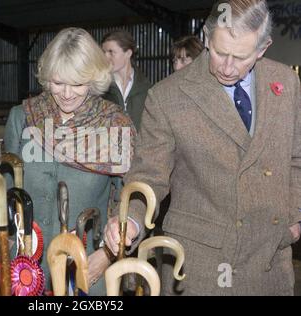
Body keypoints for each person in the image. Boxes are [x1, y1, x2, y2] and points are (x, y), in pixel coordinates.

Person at [103, 0, 301, 295]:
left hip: (271, 261)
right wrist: (131, 219)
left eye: (241, 57)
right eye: (220, 52)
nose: (228, 66)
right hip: (199, 266)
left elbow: (296, 157)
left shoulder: (286, 82)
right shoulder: (168, 96)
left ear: (262, 49)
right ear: (207, 37)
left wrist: (293, 218)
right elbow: (149, 175)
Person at [3, 27, 135, 295]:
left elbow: (130, 200)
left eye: (77, 84)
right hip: (26, 269)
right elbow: (6, 194)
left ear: (94, 79)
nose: (66, 93)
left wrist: (107, 255)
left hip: (88, 268)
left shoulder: (114, 126)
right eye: (58, 82)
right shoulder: (22, 118)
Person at [101, 30, 152, 130]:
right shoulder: (100, 88)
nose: (105, 57)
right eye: (104, 52)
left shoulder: (146, 89)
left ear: (128, 53)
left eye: (111, 52)